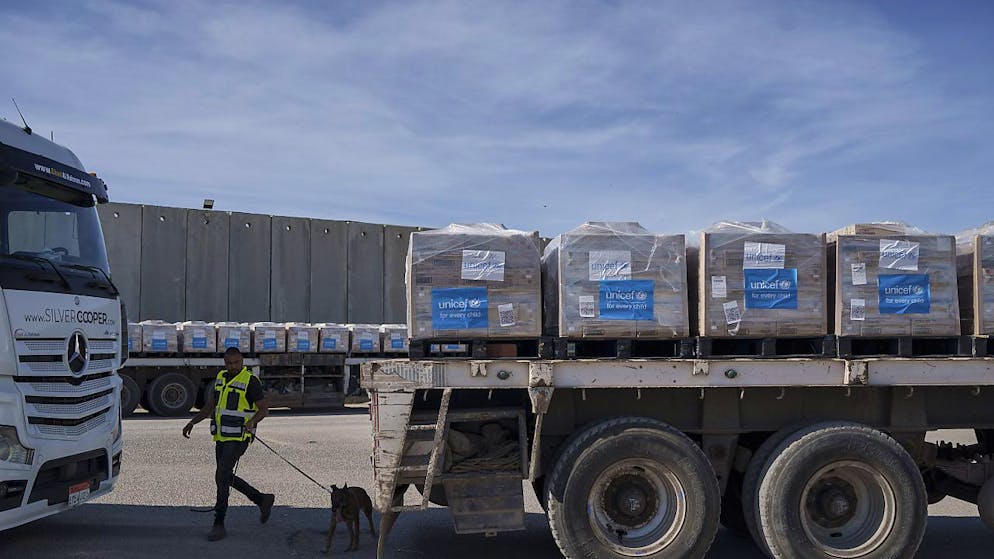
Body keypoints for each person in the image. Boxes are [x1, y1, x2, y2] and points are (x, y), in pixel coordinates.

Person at [183, 346, 275, 541]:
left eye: (236, 363)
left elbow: (263, 409)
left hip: (239, 437)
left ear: (242, 361)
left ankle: (219, 523)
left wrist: (252, 422)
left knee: (222, 475)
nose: (233, 366)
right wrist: (193, 422)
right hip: (221, 436)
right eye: (229, 363)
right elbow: (211, 405)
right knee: (223, 476)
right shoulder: (221, 378)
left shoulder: (250, 381)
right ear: (225, 363)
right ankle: (261, 499)